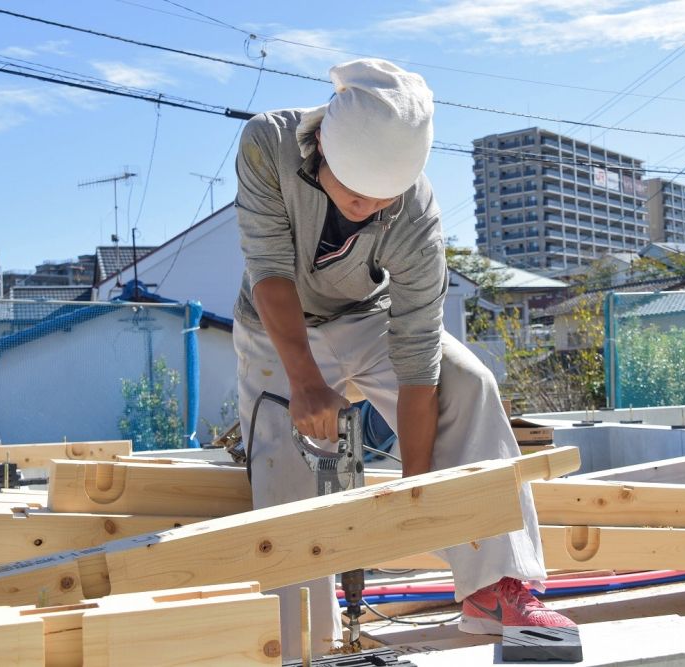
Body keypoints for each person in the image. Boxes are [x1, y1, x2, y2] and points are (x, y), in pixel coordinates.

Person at [233, 59, 574, 657]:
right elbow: (270, 270)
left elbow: (418, 357)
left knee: (468, 383)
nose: (368, 207)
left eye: (382, 198)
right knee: (284, 463)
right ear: (325, 154)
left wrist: (416, 486)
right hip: (277, 321)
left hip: (369, 317)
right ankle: (298, 641)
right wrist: (306, 383)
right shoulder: (268, 142)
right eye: (357, 192)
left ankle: (494, 588)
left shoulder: (416, 216)